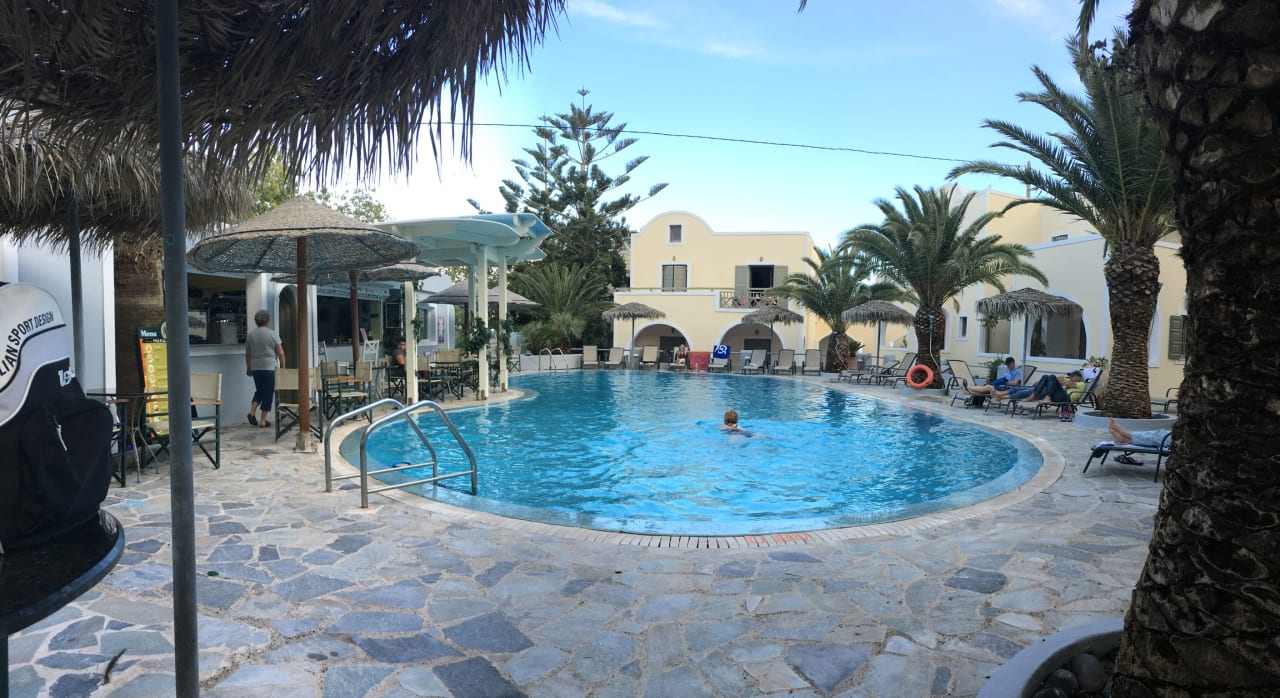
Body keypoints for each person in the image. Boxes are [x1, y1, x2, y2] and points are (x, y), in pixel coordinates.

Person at [245, 309, 285, 428]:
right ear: (267, 321)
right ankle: (263, 421)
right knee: (267, 393)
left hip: (256, 367)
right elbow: (281, 353)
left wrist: (249, 368)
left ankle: (252, 412)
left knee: (260, 390)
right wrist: (283, 368)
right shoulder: (273, 334)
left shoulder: (250, 335)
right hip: (269, 368)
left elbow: (248, 354)